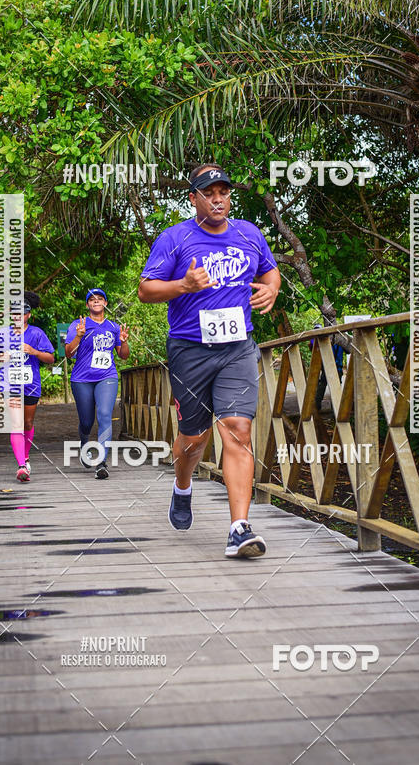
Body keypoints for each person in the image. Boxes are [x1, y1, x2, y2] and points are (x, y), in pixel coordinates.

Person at [138, 164, 281, 557]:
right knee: (194, 437)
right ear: (194, 199)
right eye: (209, 193)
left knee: (237, 429)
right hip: (190, 350)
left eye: (224, 191)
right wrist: (183, 285)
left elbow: (272, 274)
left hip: (238, 347)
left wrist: (270, 292)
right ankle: (182, 485)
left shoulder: (249, 234)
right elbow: (146, 290)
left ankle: (239, 528)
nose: (218, 199)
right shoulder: (175, 238)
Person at [65, 288, 130, 479]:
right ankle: (84, 443)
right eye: (92, 299)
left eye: (100, 299)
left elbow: (123, 356)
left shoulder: (113, 327)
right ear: (87, 305)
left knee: (104, 415)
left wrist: (124, 342)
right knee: (86, 422)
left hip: (107, 377)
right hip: (82, 379)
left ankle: (101, 462)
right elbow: (68, 353)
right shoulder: (78, 324)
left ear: (105, 304)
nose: (96, 301)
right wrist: (78, 335)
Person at [0, 291, 55, 482]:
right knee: (17, 424)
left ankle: (26, 456)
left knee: (27, 423)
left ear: (29, 315)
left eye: (21, 312)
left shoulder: (37, 333)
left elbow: (51, 358)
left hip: (30, 385)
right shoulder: (3, 333)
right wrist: (5, 356)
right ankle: (21, 466)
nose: (17, 316)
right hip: (10, 384)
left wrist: (34, 351)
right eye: (14, 312)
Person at [309, 321, 344, 409]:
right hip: (335, 367)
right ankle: (335, 408)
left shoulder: (324, 340)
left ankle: (319, 406)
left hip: (329, 366)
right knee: (334, 388)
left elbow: (313, 347)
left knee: (323, 386)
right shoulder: (340, 340)